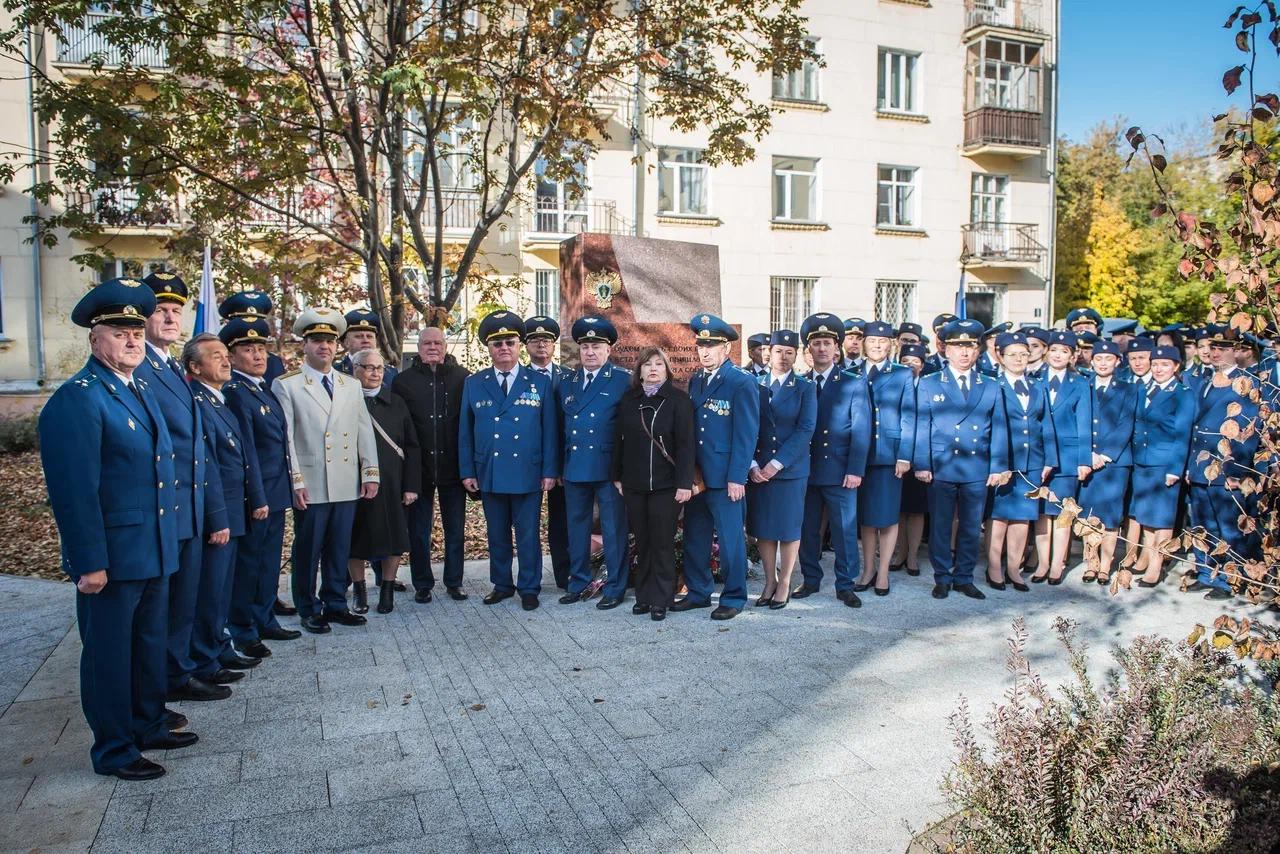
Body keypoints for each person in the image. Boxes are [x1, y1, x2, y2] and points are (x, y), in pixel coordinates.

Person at [38, 278, 195, 781]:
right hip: (114, 555)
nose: (131, 340)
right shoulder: (79, 399)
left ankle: (146, 722)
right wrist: (88, 562)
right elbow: (74, 491)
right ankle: (113, 749)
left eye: (135, 330)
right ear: (94, 338)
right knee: (109, 653)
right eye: (118, 331)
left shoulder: (139, 387)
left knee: (148, 644)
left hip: (153, 547)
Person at [133, 272, 231, 703]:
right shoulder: (140, 368)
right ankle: (166, 683)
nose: (171, 317)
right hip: (164, 508)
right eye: (161, 310)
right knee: (164, 609)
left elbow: (197, 449)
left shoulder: (169, 367)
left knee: (183, 603)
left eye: (177, 310)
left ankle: (178, 672)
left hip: (189, 508)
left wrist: (211, 512)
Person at [273, 308, 380, 633]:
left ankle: (335, 602)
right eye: (317, 340)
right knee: (308, 548)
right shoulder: (287, 385)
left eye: (330, 341)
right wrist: (295, 480)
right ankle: (308, 607)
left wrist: (371, 471)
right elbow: (287, 437)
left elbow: (364, 429)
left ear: (338, 346)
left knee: (339, 546)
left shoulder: (349, 384)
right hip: (313, 479)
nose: (325, 347)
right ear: (304, 345)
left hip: (346, 479)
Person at [459, 311, 559, 610]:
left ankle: (529, 587)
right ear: (488, 349)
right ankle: (502, 584)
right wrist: (467, 471)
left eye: (510, 342)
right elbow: (465, 432)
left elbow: (549, 430)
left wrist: (550, 470)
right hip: (489, 471)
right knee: (496, 533)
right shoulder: (474, 383)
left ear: (520, 346)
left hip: (527, 472)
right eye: (497, 343)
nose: (504, 348)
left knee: (528, 534)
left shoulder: (538, 382)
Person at [184, 333, 269, 686]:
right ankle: (205, 659)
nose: (225, 361)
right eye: (215, 356)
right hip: (219, 514)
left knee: (223, 587)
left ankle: (219, 647)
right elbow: (209, 467)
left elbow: (241, 460)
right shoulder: (198, 403)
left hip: (235, 508)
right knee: (211, 590)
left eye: (224, 355)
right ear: (195, 367)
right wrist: (217, 516)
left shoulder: (218, 401)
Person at [220, 318, 301, 659]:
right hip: (258, 495)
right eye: (248, 349)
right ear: (232, 355)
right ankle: (243, 628)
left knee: (268, 562)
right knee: (249, 564)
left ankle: (265, 617)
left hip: (275, 490)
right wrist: (257, 496)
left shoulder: (260, 387)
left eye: (261, 349)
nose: (257, 355)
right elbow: (246, 450)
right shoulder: (237, 393)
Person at [912, 318, 1010, 601]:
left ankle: (964, 577)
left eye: (969, 346)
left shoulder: (991, 385)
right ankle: (942, 577)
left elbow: (1000, 428)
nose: (964, 352)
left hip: (976, 466)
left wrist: (999, 466)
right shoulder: (930, 383)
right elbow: (922, 426)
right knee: (941, 526)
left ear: (978, 350)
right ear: (946, 350)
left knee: (969, 526)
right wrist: (922, 463)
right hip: (943, 464)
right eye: (958, 346)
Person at [674, 314, 761, 620]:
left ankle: (735, 597)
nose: (705, 351)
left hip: (726, 478)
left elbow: (746, 434)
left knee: (730, 542)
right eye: (701, 345)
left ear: (726, 349)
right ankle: (698, 593)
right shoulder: (697, 379)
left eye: (712, 345)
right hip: (698, 477)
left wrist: (738, 476)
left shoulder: (741, 382)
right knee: (695, 538)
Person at [611, 348, 696, 621]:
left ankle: (661, 598)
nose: (653, 369)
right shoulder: (628, 400)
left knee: (662, 543)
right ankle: (644, 596)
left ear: (667, 369)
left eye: (659, 364)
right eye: (647, 364)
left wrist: (684, 483)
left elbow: (685, 447)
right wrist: (617, 476)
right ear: (639, 371)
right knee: (643, 542)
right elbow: (618, 441)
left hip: (666, 486)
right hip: (634, 484)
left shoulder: (678, 401)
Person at [794, 313, 871, 607]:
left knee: (844, 529)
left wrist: (855, 469)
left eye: (827, 343)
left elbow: (861, 430)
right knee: (807, 528)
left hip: (839, 470)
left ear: (836, 349)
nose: (822, 349)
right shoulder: (801, 384)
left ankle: (845, 583)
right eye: (816, 344)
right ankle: (810, 579)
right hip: (806, 469)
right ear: (808, 350)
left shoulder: (853, 383)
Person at [556, 316, 633, 609]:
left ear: (608, 349)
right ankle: (578, 581)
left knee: (613, 529)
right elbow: (560, 427)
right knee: (576, 527)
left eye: (597, 346)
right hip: (575, 465)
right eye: (585, 346)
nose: (590, 351)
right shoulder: (568, 382)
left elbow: (629, 430)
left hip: (608, 468)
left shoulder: (623, 380)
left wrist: (625, 471)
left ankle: (615, 587)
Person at [392, 326, 471, 603]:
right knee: (419, 532)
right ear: (419, 346)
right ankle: (422, 583)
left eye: (438, 342)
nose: (433, 347)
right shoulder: (403, 382)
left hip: (452, 469)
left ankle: (454, 582)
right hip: (418, 471)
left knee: (455, 530)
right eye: (427, 343)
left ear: (446, 345)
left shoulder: (463, 379)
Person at [1185, 326, 1260, 599]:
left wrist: (1235, 470)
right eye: (1212, 348)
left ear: (1236, 352)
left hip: (1225, 466)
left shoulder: (1243, 384)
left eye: (1222, 348)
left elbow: (1245, 433)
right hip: (1199, 466)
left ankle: (1230, 580)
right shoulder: (1206, 380)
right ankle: (1207, 573)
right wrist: (1188, 467)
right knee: (1203, 524)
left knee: (1228, 526)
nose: (1215, 353)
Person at [347, 349, 421, 613]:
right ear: (354, 368)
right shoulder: (344, 400)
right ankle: (359, 590)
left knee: (395, 537)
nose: (376, 373)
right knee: (355, 539)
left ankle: (387, 589)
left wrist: (412, 485)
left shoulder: (396, 402)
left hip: (392, 483)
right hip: (354, 484)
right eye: (368, 367)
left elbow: (411, 446)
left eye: (379, 368)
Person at [746, 330, 816, 608]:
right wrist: (752, 464)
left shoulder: (805, 388)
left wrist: (776, 464)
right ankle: (769, 580)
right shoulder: (755, 384)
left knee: (787, 528)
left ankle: (785, 580)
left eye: (789, 352)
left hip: (789, 470)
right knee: (763, 528)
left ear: (796, 354)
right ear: (768, 352)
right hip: (758, 470)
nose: (783, 357)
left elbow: (805, 429)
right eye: (778, 351)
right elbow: (747, 427)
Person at [986, 332, 1054, 591]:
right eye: (1012, 354)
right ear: (1000, 356)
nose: (1018, 359)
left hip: (1033, 460)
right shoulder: (993, 384)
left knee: (1023, 516)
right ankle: (994, 566)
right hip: (1003, 459)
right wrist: (995, 463)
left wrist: (1049, 459)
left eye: (1023, 354)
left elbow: (1045, 424)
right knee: (999, 515)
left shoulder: (1038, 386)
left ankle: (1014, 567)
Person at [853, 321, 914, 597]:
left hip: (889, 455)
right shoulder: (852, 372)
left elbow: (909, 416)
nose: (877, 346)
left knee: (888, 517)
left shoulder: (902, 374)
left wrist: (904, 455)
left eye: (883, 341)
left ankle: (884, 572)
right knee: (866, 517)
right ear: (863, 343)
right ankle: (868, 569)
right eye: (872, 341)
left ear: (892, 344)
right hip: (858, 455)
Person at [1129, 346, 1195, 587]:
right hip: (1142, 461)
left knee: (1163, 519)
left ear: (1176, 366)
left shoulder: (1183, 393)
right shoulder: (1144, 389)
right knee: (1146, 515)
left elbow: (1182, 434)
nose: (1158, 369)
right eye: (1155, 364)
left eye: (1165, 365)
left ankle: (1156, 567)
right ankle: (1147, 558)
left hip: (1165, 463)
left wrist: (1175, 469)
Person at [1032, 330, 1092, 585]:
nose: (1058, 355)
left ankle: (1058, 564)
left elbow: (1084, 423)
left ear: (1072, 356)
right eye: (1054, 350)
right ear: (1046, 352)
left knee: (1062, 512)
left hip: (1067, 457)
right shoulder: (1033, 379)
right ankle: (1043, 562)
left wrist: (1083, 460)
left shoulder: (1080, 384)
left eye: (1064, 351)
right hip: (1039, 455)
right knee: (1043, 512)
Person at [1075, 340, 1137, 584]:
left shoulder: (1128, 389)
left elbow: (1125, 424)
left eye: (1108, 359)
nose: (1102, 363)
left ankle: (1106, 566)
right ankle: (1091, 563)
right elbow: (1078, 422)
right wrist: (1088, 454)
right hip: (1086, 459)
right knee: (1089, 515)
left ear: (1117, 362)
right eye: (1098, 359)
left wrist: (1104, 454)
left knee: (1110, 517)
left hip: (1115, 463)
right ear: (1091, 361)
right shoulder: (1083, 385)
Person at [523, 315, 572, 590]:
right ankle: (530, 578)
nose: (541, 345)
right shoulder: (519, 377)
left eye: (547, 340)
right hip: (529, 460)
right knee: (528, 522)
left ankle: (563, 575)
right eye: (534, 340)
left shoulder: (567, 377)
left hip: (562, 462)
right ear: (526, 345)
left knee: (560, 520)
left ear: (554, 345)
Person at [891, 342, 928, 577]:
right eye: (905, 361)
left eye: (915, 362)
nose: (910, 366)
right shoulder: (896, 386)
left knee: (916, 510)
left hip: (920, 455)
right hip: (898, 456)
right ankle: (899, 552)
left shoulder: (926, 387)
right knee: (899, 509)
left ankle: (913, 555)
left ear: (922, 366)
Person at [219, 289, 288, 387]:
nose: (251, 323)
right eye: (244, 319)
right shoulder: (222, 361)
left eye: (257, 320)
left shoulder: (274, 362)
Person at [336, 308, 398, 386]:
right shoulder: (335, 372)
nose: (366, 340)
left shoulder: (391, 374)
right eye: (358, 336)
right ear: (346, 342)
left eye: (369, 336)